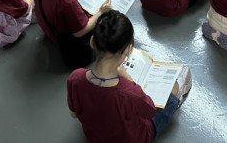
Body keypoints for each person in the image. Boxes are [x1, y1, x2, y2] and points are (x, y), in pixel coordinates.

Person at [67, 10, 193, 142]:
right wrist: (130, 80)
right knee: (175, 84)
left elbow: (74, 114)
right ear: (128, 49)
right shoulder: (131, 92)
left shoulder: (75, 78)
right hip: (134, 138)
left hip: (94, 136)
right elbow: (150, 111)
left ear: (92, 42)